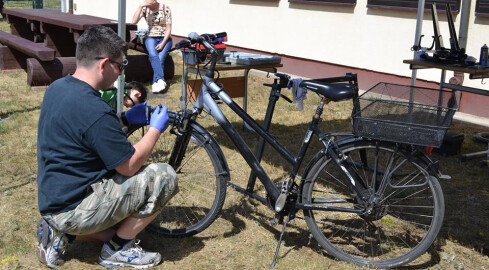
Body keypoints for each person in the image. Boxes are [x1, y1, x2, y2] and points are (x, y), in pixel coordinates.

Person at [36, 26, 178, 269]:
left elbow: (86, 133)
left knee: (117, 225)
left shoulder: (58, 88)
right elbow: (129, 167)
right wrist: (155, 129)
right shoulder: (95, 109)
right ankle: (116, 250)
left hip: (54, 201)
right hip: (74, 208)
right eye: (120, 66)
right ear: (103, 64)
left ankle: (59, 232)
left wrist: (123, 119)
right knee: (164, 176)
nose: (121, 73)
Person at [132, 0, 173, 94]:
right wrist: (140, 6)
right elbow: (134, 21)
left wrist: (163, 43)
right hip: (151, 37)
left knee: (160, 59)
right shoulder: (145, 9)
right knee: (153, 56)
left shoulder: (165, 8)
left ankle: (155, 82)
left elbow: (169, 29)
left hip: (165, 38)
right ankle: (161, 81)